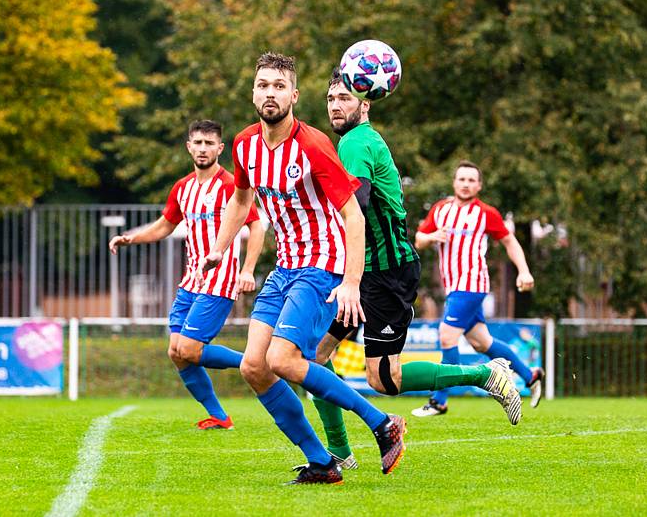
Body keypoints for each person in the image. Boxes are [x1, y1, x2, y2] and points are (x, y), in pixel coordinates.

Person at [199, 52, 405, 486]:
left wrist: (351, 283)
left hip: (322, 264)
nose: (269, 93)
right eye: (262, 85)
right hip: (287, 266)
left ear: (294, 95)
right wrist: (220, 248)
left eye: (278, 86)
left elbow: (353, 214)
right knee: (253, 367)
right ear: (253, 93)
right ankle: (323, 462)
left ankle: (381, 423)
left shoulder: (313, 145)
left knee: (284, 358)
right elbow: (241, 199)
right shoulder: (246, 144)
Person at [306, 70, 522, 468]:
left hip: (385, 272)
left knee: (384, 380)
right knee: (312, 355)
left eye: (345, 98)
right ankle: (338, 451)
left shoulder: (356, 142)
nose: (336, 105)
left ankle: (485, 375)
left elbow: (360, 204)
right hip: (361, 268)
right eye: (331, 98)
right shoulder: (355, 141)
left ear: (366, 102)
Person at [109, 119, 264, 430]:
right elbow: (165, 225)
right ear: (189, 146)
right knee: (177, 352)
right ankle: (220, 417)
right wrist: (131, 238)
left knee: (190, 348)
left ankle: (256, 362)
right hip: (191, 280)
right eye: (198, 143)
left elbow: (256, 224)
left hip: (220, 281)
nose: (203, 149)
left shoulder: (232, 186)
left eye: (210, 143)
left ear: (220, 148)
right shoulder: (182, 188)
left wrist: (247, 270)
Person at [411, 161, 544, 418]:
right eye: (462, 179)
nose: (466, 184)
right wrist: (431, 237)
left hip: (471, 284)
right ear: (454, 182)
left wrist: (524, 270)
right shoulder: (440, 209)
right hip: (453, 286)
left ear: (479, 186)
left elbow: (509, 241)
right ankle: (530, 376)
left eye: (472, 180)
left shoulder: (485, 213)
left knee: (447, 336)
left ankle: (439, 401)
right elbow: (419, 238)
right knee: (482, 343)